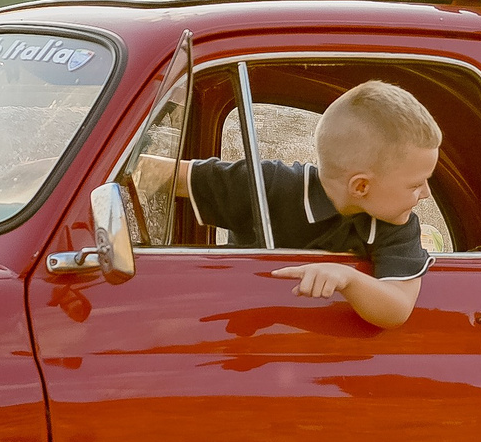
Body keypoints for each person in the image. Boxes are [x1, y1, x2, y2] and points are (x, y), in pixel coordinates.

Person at [146, 80, 441, 330]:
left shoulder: (397, 225)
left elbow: (397, 309)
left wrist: (347, 278)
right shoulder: (272, 184)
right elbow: (153, 175)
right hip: (228, 332)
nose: (426, 192)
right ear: (361, 186)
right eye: (416, 184)